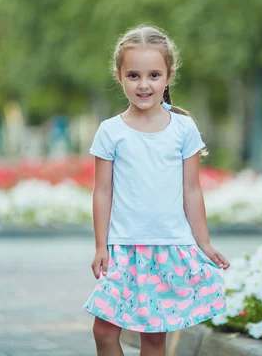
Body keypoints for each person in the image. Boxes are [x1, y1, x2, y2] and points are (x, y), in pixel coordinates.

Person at [83, 26, 229, 356]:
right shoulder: (110, 132)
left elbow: (191, 190)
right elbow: (102, 192)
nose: (144, 84)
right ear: (119, 76)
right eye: (134, 75)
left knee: (152, 338)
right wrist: (100, 245)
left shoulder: (183, 129)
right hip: (123, 249)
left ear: (168, 76)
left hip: (168, 247)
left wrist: (203, 242)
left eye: (153, 75)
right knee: (104, 331)